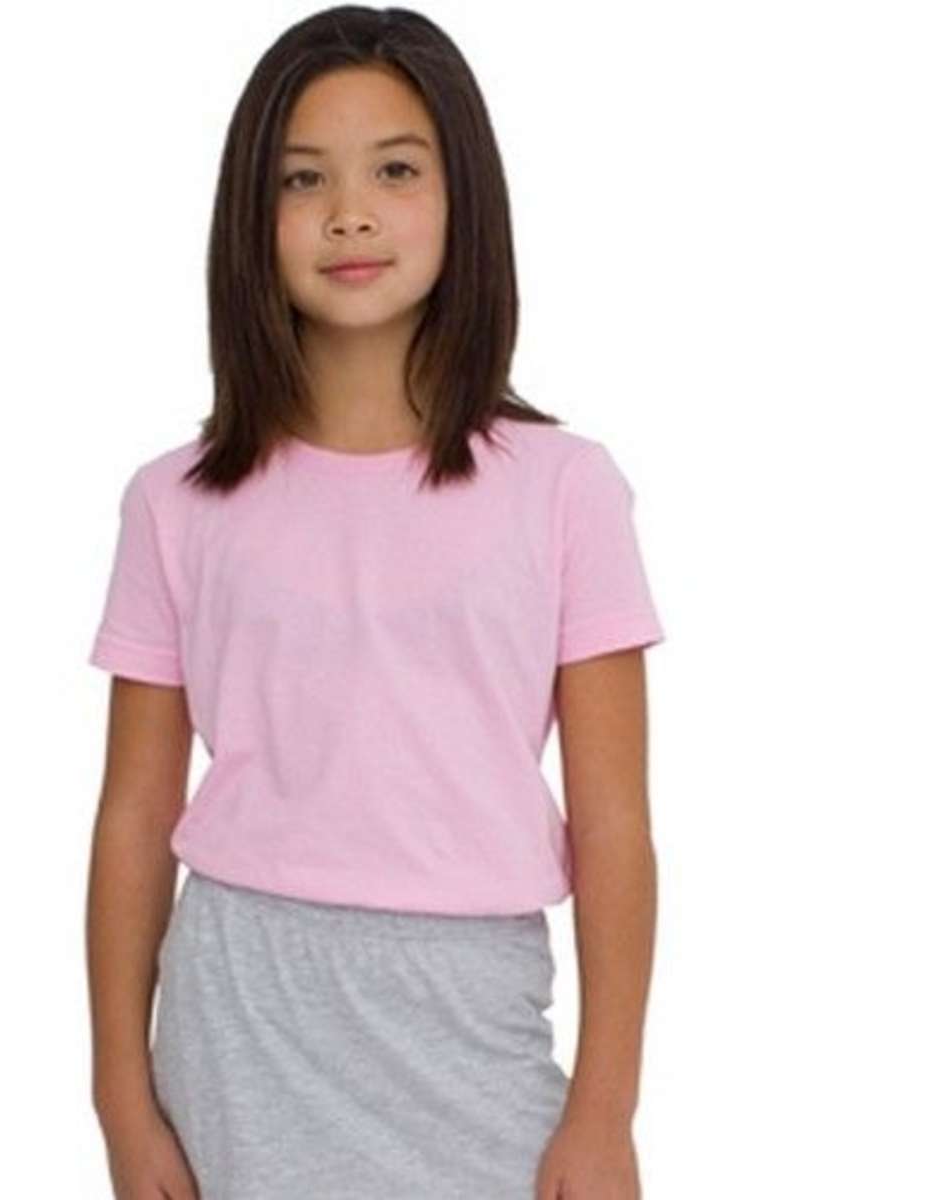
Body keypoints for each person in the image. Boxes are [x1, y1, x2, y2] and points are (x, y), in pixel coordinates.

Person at [85, 7, 666, 1198]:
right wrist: (120, 1101)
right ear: (251, 216)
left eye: (396, 170)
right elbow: (134, 817)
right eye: (303, 179)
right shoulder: (176, 502)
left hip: (467, 1009)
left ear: (464, 199)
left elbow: (613, 826)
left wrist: (605, 1111)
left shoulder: (564, 491)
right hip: (241, 1008)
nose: (350, 212)